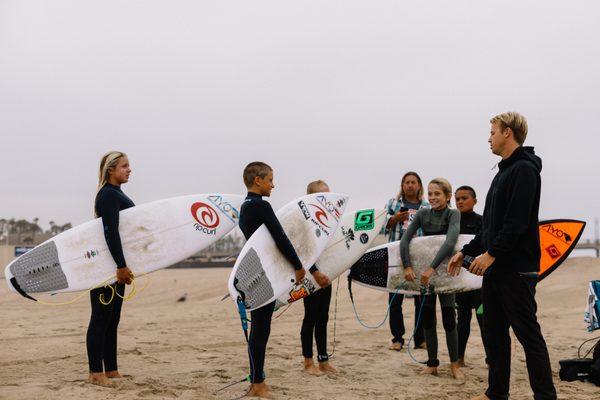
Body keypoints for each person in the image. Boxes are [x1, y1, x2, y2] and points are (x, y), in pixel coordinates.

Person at [448, 112, 557, 400]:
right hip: (497, 270)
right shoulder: (503, 172)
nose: (489, 138)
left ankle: (546, 396)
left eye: (493, 132)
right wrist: (466, 252)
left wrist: (492, 254)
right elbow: (490, 226)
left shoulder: (524, 170)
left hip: (517, 269)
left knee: (527, 335)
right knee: (494, 336)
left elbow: (516, 222)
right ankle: (496, 393)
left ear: (508, 133)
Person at [238, 161, 306, 399]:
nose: (273, 185)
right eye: (269, 180)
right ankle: (257, 384)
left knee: (259, 328)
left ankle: (257, 380)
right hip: (264, 275)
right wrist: (298, 266)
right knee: (261, 329)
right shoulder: (261, 206)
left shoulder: (245, 207)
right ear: (258, 180)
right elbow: (280, 237)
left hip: (253, 272)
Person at [400, 178, 464, 380]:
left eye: (438, 194)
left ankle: (454, 365)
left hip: (445, 272)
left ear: (447, 196)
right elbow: (404, 240)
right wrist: (407, 265)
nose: (433, 197)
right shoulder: (422, 213)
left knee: (448, 320)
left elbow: (450, 242)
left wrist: (431, 268)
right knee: (427, 317)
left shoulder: (453, 214)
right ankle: (432, 363)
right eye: (430, 193)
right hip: (425, 273)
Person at [87, 151, 135, 387]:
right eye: (125, 166)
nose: (129, 169)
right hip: (107, 267)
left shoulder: (116, 193)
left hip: (115, 265)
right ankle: (96, 372)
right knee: (100, 318)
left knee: (112, 318)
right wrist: (120, 265)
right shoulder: (107, 195)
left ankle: (112, 369)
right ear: (111, 170)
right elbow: (110, 232)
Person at [383, 172, 428, 351]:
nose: (410, 185)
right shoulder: (393, 203)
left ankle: (420, 339)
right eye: (407, 182)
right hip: (395, 256)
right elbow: (382, 224)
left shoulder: (426, 206)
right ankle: (397, 338)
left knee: (421, 299)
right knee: (395, 299)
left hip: (419, 256)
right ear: (402, 185)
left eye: (413, 182)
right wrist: (395, 219)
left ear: (419, 185)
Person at [301, 180, 337, 376]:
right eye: (323, 195)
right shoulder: (306, 221)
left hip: (327, 274)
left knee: (323, 317)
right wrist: (315, 272)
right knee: (310, 318)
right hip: (311, 275)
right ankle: (308, 362)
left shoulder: (329, 220)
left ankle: (323, 360)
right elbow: (304, 251)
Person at [454, 185, 487, 367]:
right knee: (462, 322)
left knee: (484, 320)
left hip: (480, 281)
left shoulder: (483, 221)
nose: (460, 201)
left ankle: (491, 359)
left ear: (475, 200)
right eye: (457, 198)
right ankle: (459, 358)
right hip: (461, 281)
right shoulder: (452, 223)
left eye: (464, 198)